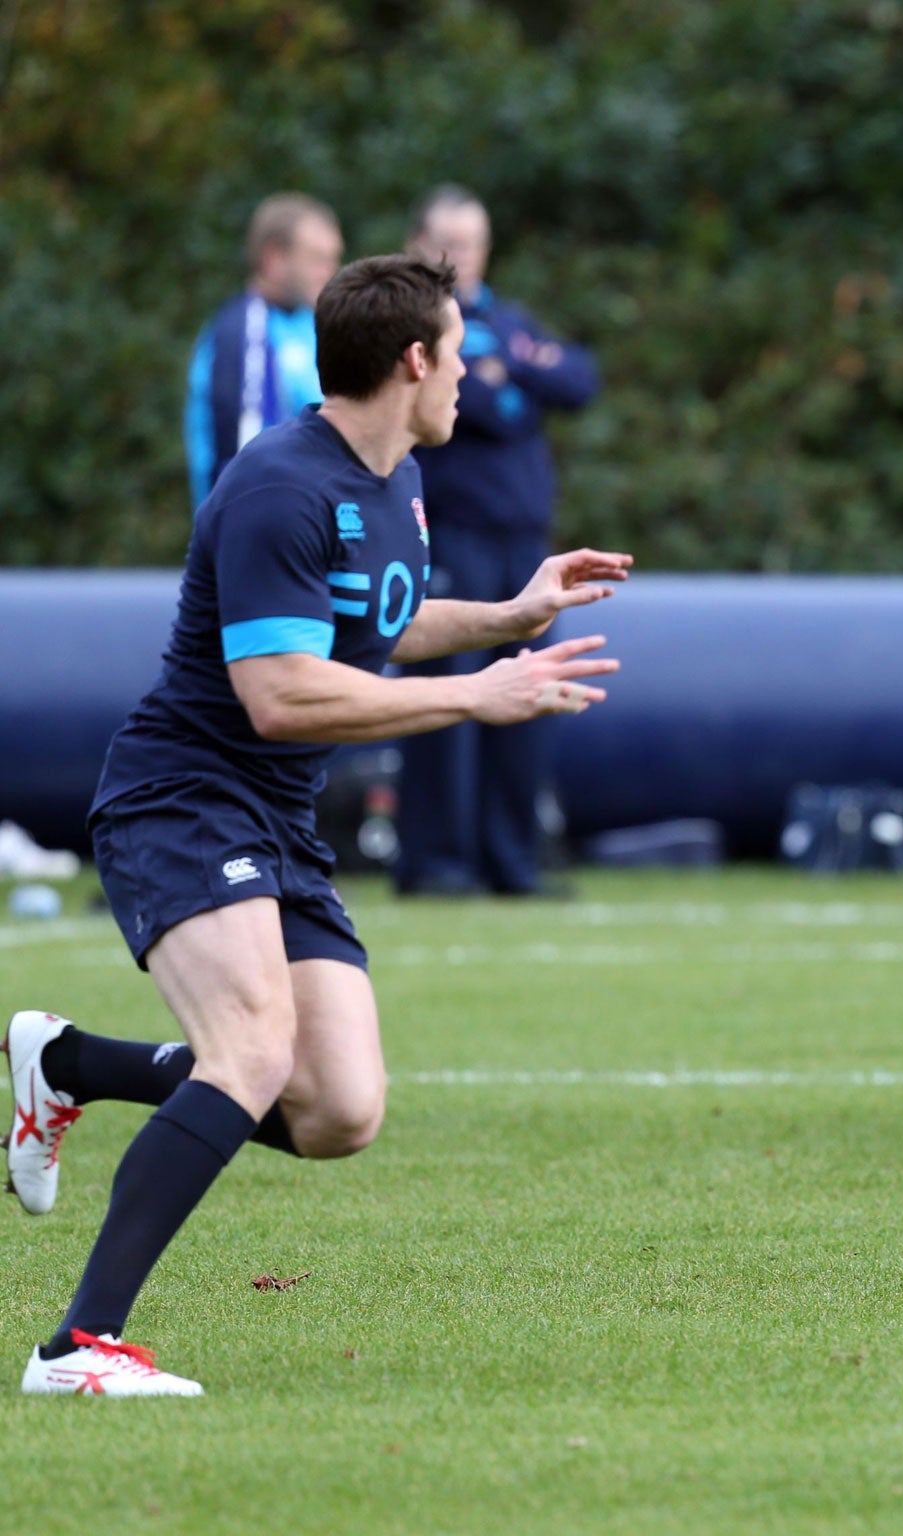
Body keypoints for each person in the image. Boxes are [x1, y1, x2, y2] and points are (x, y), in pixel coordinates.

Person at [5, 254, 631, 1394]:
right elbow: (280, 692)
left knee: (338, 1109)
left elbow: (372, 627)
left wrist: (506, 616)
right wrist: (473, 697)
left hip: (278, 817)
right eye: (458, 351)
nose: (468, 376)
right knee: (251, 1052)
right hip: (182, 798)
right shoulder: (281, 487)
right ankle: (77, 1346)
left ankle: (70, 1062)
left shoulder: (393, 479)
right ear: (414, 361)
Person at [395, 185, 601, 897]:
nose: (465, 257)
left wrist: (511, 368)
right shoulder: (413, 323)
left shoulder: (506, 324)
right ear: (420, 245)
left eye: (475, 242)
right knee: (447, 701)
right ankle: (436, 864)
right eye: (451, 243)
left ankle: (513, 863)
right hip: (454, 538)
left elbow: (577, 378)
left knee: (531, 696)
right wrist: (515, 374)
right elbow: (483, 406)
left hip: (524, 545)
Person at [185, 192, 345, 506]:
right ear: (274, 258)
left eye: (333, 259)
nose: (329, 272)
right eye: (316, 259)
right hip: (262, 536)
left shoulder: (311, 323)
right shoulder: (243, 332)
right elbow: (242, 458)